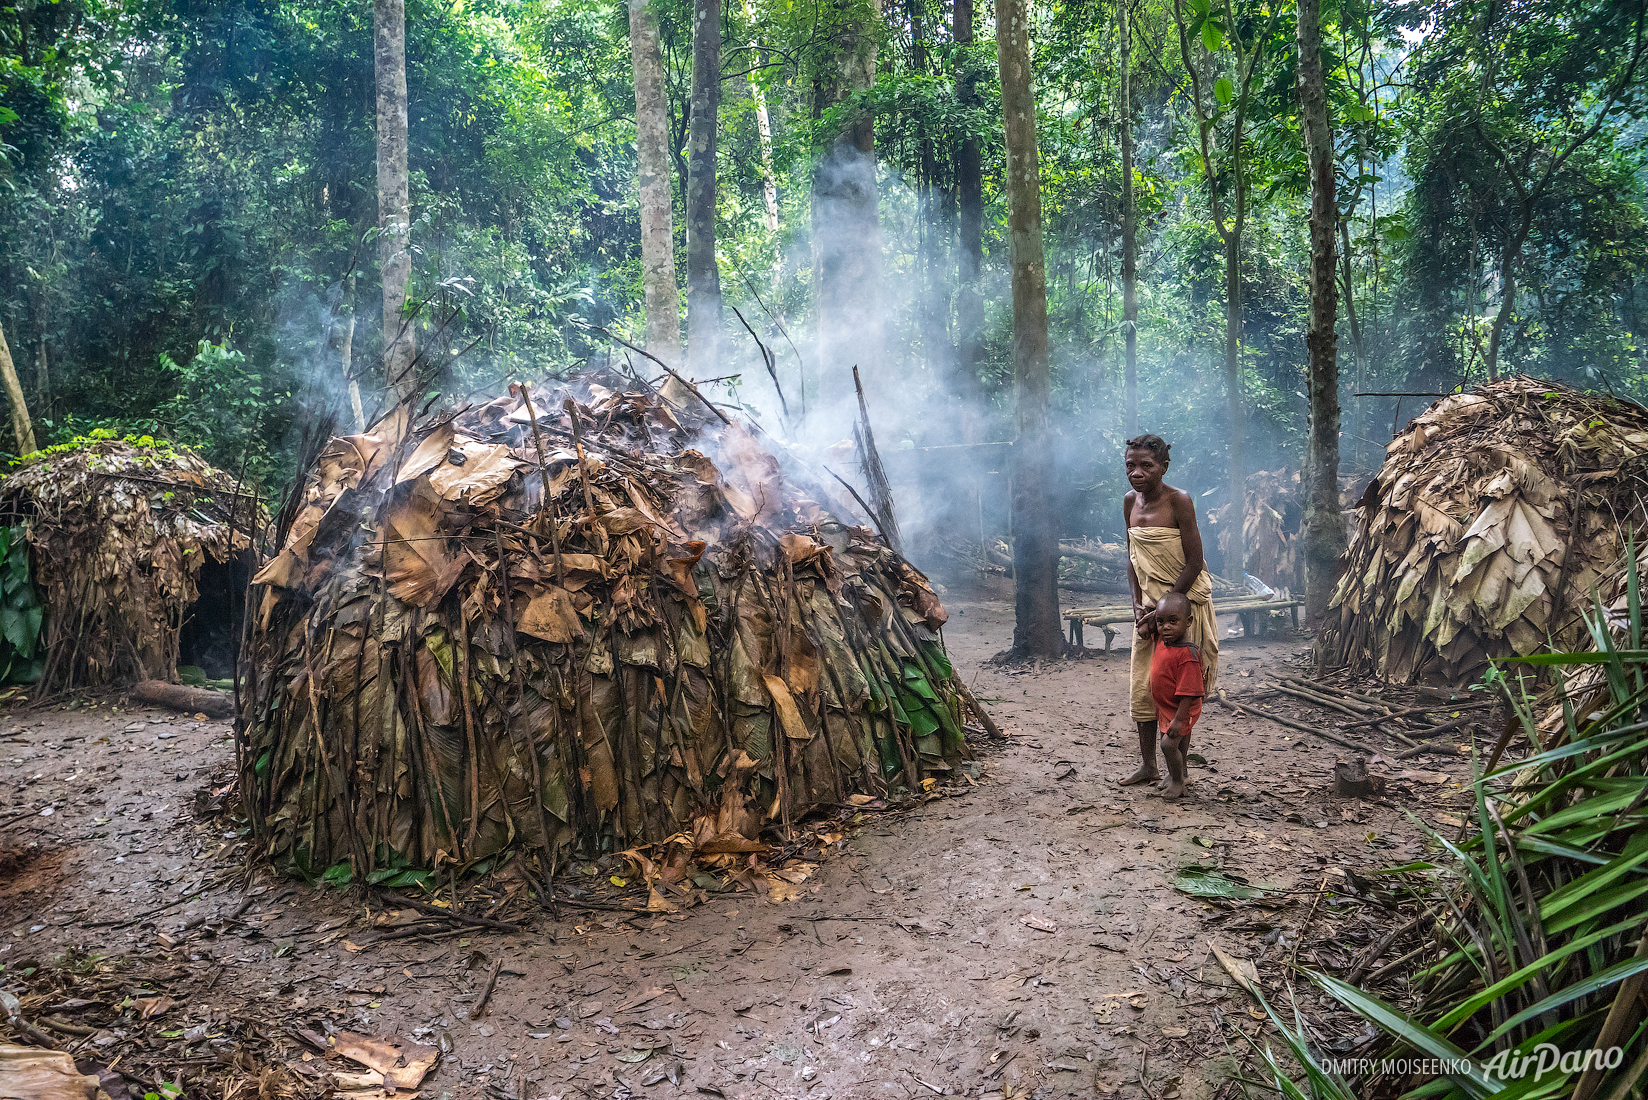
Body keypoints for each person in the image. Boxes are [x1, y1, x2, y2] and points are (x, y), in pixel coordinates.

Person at [1117, 434, 1219, 793]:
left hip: (1182, 607)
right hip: (1147, 614)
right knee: (1145, 689)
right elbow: (1132, 560)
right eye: (1131, 465)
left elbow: (1194, 562)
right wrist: (1137, 608)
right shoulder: (1129, 501)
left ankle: (1180, 773)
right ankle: (1148, 765)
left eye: (1146, 465)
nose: (1137, 472)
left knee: (1181, 692)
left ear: (1163, 466)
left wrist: (1165, 608)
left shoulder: (1180, 501)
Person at [1149, 591, 1203, 799]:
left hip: (1182, 709)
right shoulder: (1163, 642)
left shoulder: (1187, 655)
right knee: (1179, 743)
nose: (1166, 627)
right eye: (1161, 621)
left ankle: (1178, 782)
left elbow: (1190, 691)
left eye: (1173, 621)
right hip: (1168, 706)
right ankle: (1179, 775)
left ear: (1188, 621)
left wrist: (1180, 719)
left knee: (1168, 744)